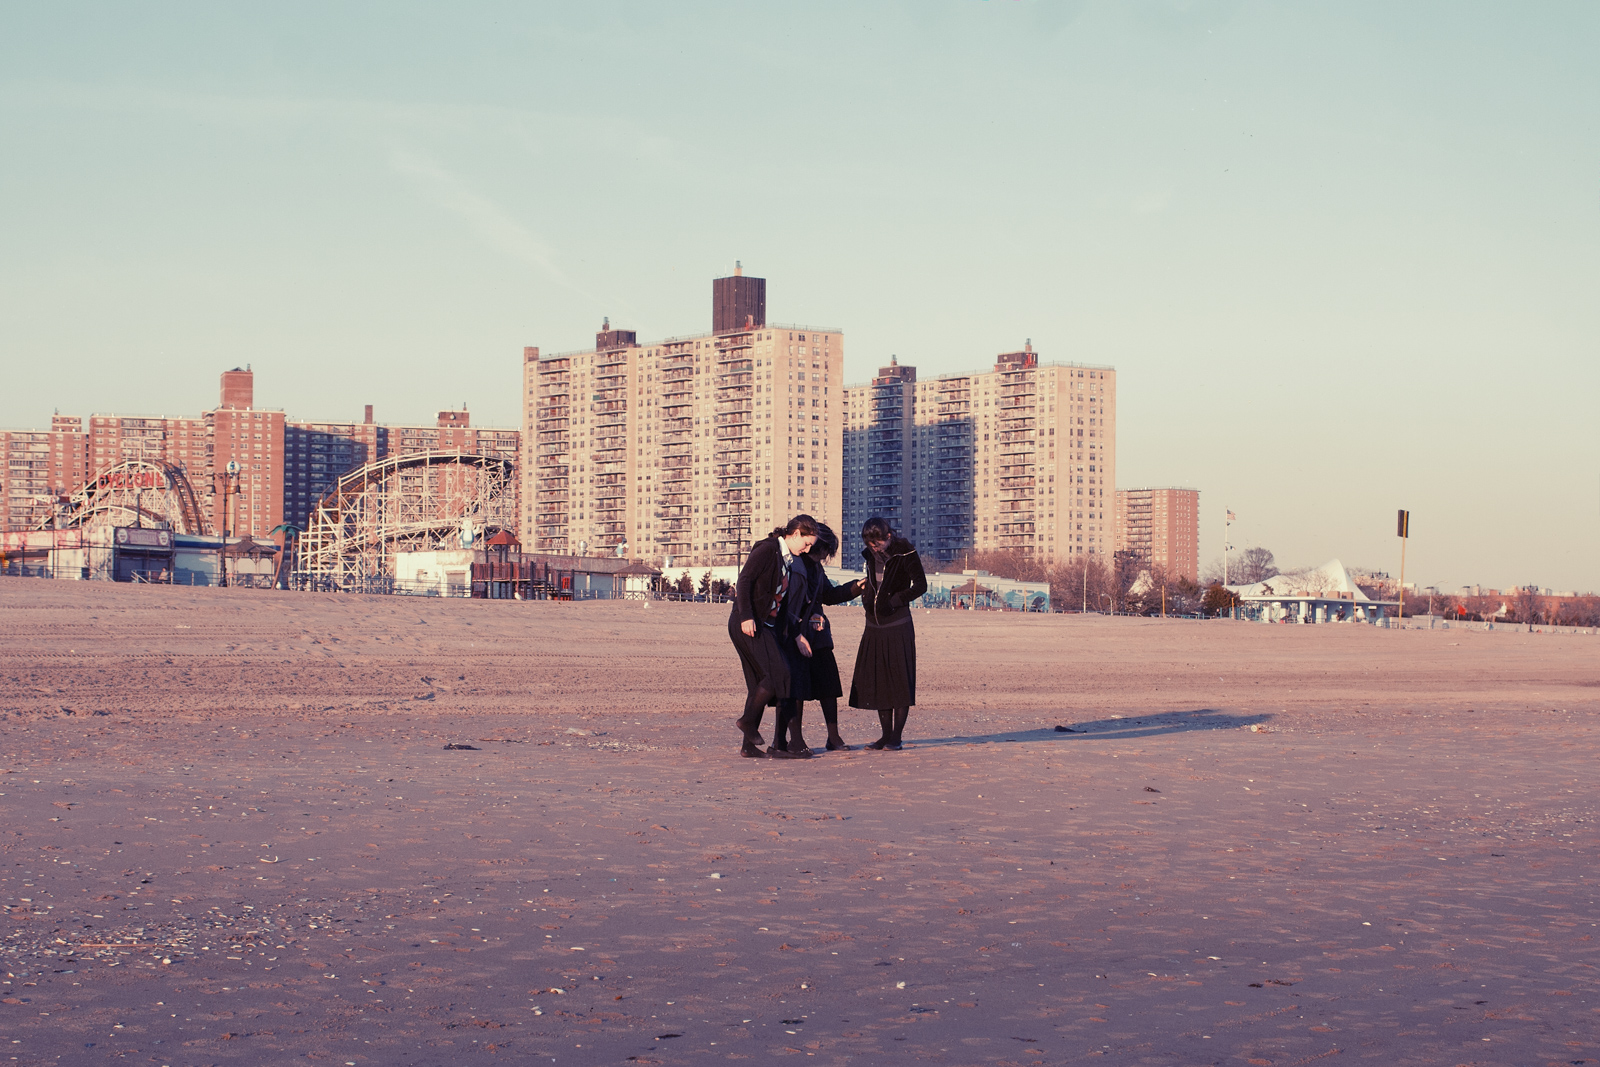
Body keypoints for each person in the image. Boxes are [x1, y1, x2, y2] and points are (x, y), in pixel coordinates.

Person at [729, 514, 819, 758]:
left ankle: (748, 746)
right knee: (781, 673)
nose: (809, 548)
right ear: (796, 533)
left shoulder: (787, 557)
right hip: (748, 623)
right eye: (807, 543)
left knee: (759, 682)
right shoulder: (768, 549)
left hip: (764, 625)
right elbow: (745, 580)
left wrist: (797, 633)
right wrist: (746, 615)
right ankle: (747, 722)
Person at [770, 524, 863, 756]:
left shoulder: (816, 568)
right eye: (825, 551)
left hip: (817, 634)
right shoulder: (793, 563)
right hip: (793, 632)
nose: (825, 556)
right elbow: (787, 599)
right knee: (795, 687)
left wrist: (855, 588)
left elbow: (827, 595)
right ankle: (792, 740)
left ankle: (832, 737)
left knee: (828, 682)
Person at [848, 516, 927, 750]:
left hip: (898, 625)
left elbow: (920, 586)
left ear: (888, 537)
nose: (874, 547)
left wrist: (895, 600)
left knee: (899, 681)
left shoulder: (906, 553)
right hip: (873, 626)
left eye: (878, 543)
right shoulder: (870, 557)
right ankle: (884, 735)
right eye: (870, 544)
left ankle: (896, 737)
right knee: (879, 682)